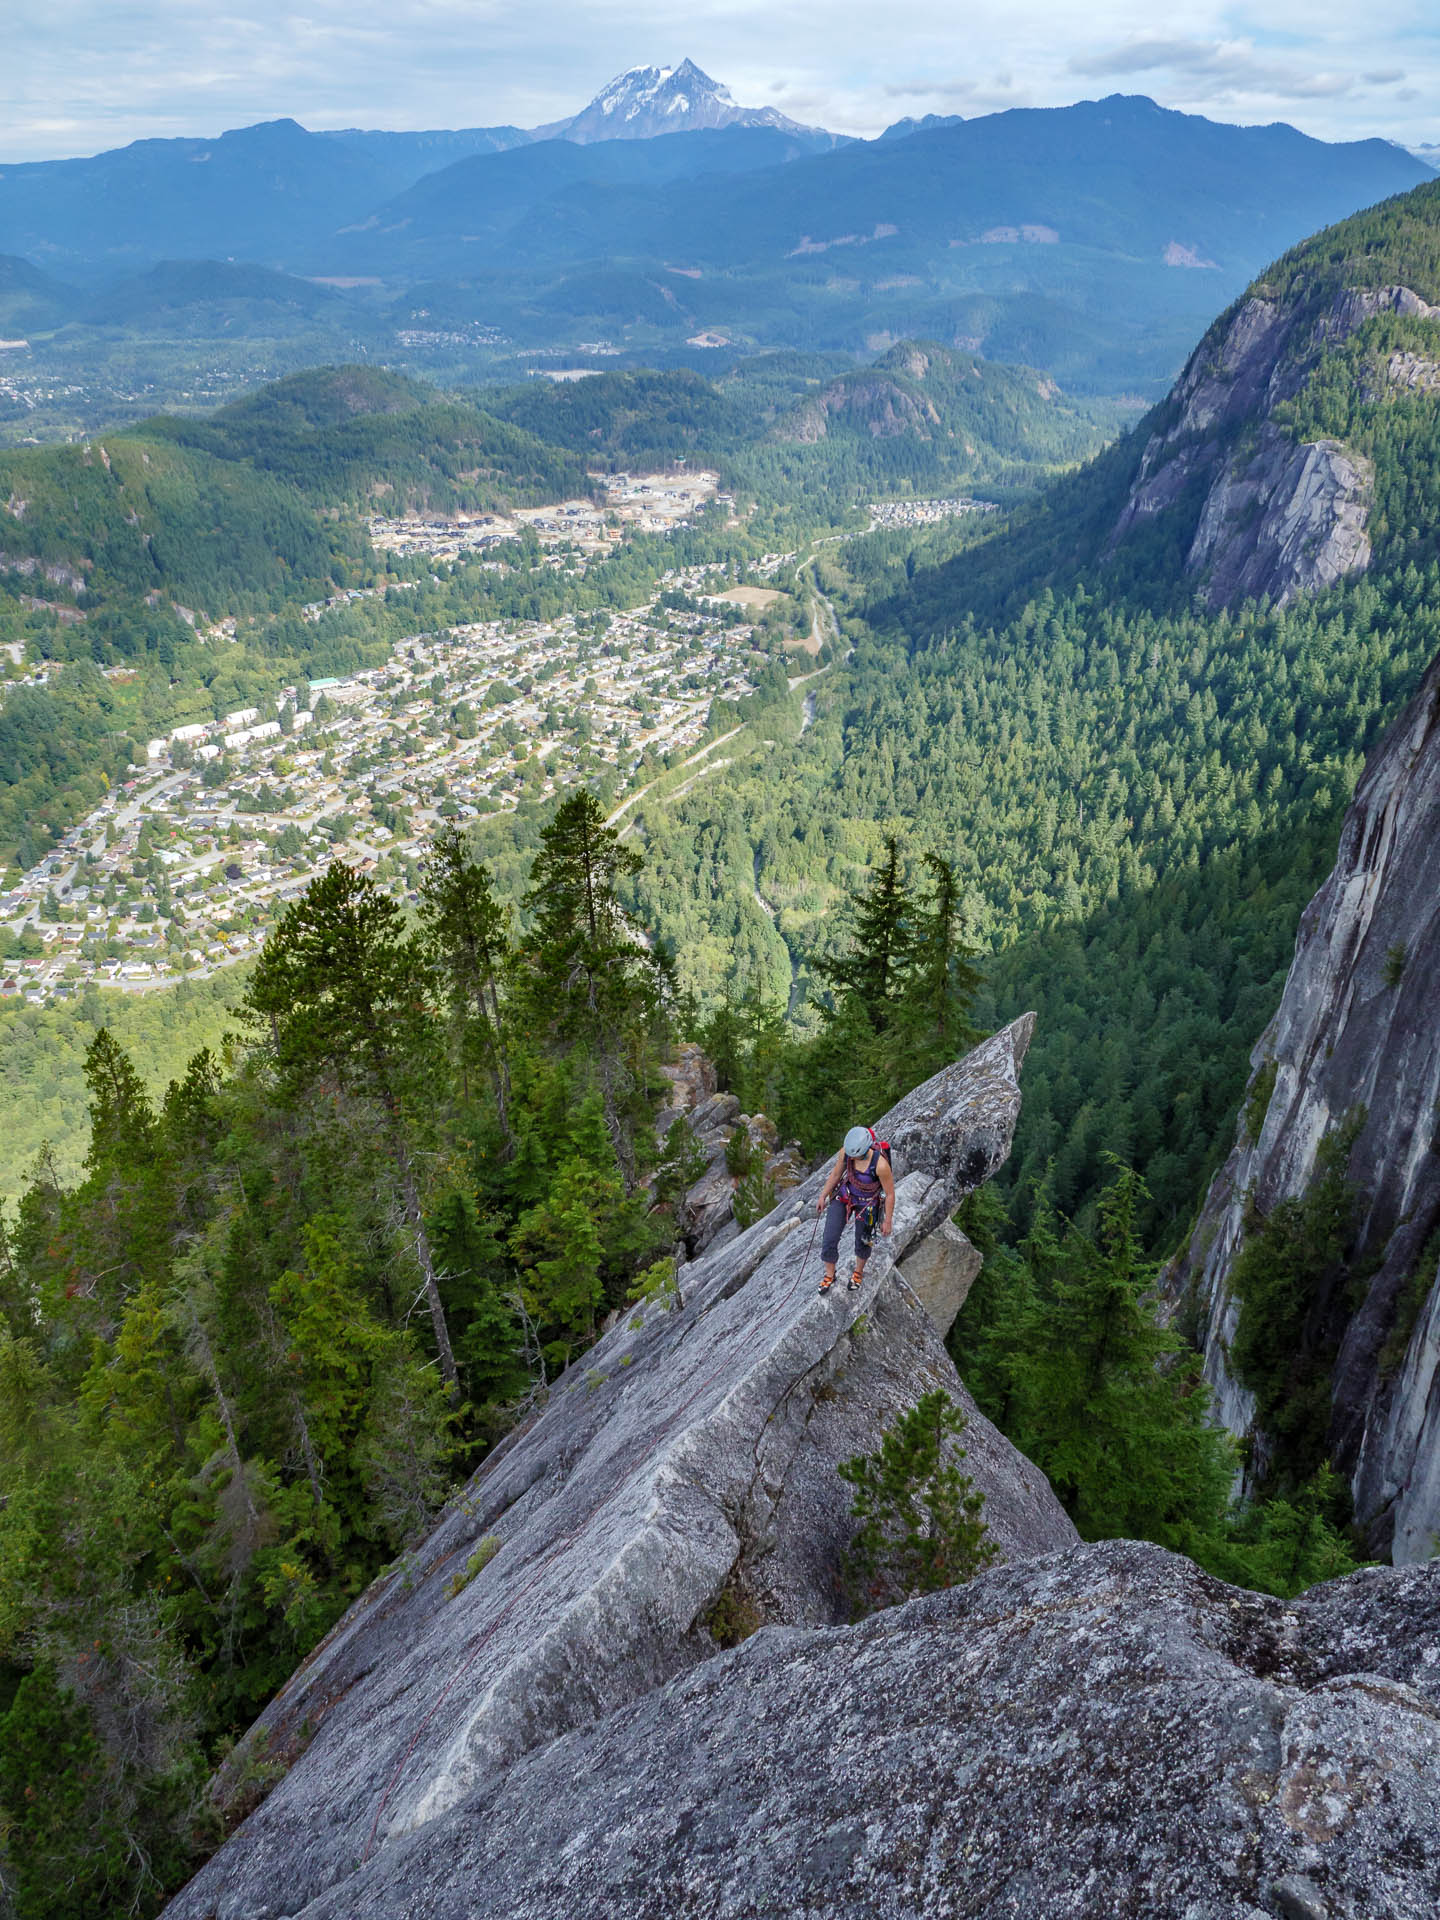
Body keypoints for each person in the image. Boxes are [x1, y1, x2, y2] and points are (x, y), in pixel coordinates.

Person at [816, 1124, 895, 1293]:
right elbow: (836, 1174)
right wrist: (823, 1195)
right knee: (829, 1237)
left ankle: (858, 1273)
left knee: (863, 1241)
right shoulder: (847, 1153)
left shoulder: (880, 1165)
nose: (853, 1158)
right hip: (846, 1196)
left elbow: (889, 1194)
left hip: (868, 1202)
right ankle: (830, 1275)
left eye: (857, 1155)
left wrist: (887, 1220)